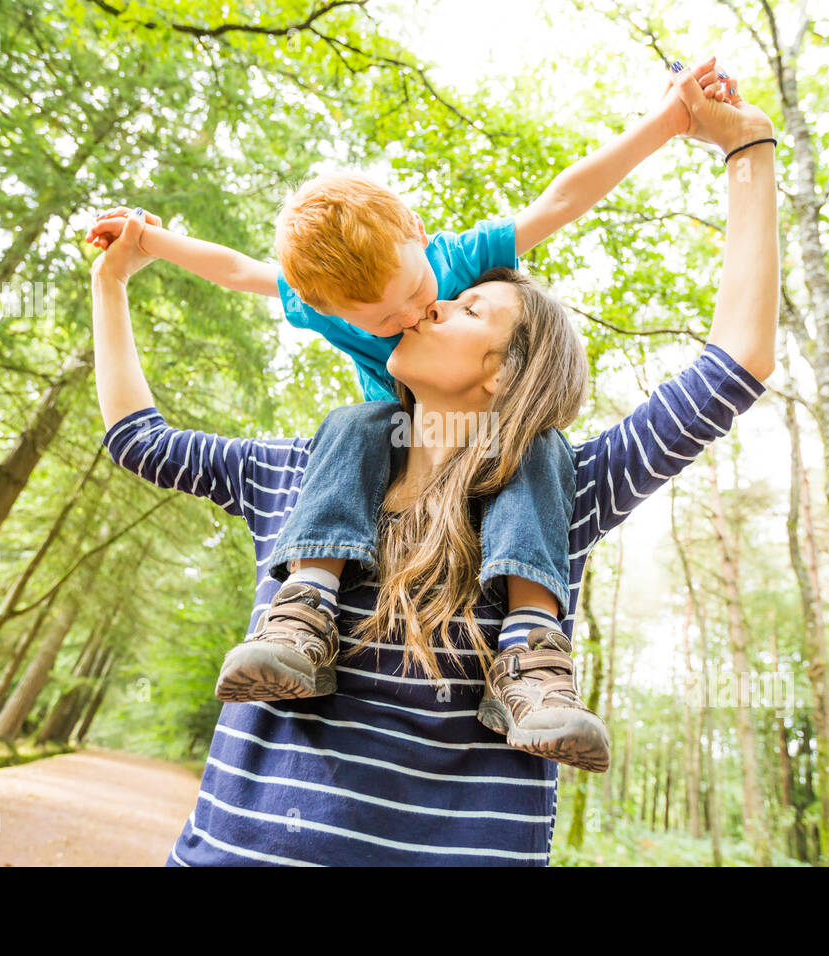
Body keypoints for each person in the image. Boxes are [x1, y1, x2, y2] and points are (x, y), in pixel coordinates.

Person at [90, 58, 778, 866]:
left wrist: (746, 146)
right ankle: (301, 613)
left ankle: (531, 657)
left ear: (505, 371)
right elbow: (142, 439)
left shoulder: (560, 494)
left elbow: (735, 363)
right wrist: (115, 282)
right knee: (354, 422)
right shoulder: (312, 476)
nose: (431, 307)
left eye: (466, 309)